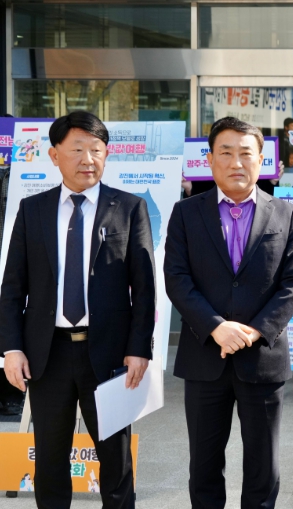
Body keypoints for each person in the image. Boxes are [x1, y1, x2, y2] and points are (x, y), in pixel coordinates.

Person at [0, 111, 156, 509]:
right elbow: (13, 288)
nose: (88, 159)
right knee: (50, 458)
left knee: (116, 460)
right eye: (77, 150)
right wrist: (12, 348)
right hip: (47, 354)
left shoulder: (129, 207)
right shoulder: (32, 210)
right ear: (54, 155)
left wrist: (139, 348)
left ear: (107, 155)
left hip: (110, 355)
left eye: (97, 150)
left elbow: (144, 288)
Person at [164, 117, 293, 508]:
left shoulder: (285, 213)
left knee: (263, 466)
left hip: (262, 359)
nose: (236, 162)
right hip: (203, 358)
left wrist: (254, 331)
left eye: (246, 153)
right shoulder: (186, 213)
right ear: (209, 159)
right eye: (225, 153)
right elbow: (177, 278)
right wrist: (216, 327)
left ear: (262, 160)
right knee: (204, 465)